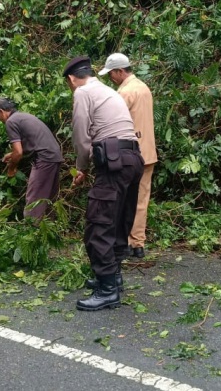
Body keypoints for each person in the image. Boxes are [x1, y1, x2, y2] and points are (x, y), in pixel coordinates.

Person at [63, 56, 144, 311]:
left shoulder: (83, 92)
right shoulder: (108, 90)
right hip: (132, 158)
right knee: (119, 221)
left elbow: (80, 133)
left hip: (114, 161)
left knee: (99, 224)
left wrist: (81, 167)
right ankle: (112, 278)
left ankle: (108, 290)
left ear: (71, 79)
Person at [98, 53, 157, 259]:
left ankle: (120, 241)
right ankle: (137, 243)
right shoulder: (143, 87)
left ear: (120, 71)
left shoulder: (124, 93)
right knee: (141, 200)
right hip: (147, 153)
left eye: (111, 74)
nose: (110, 78)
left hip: (128, 153)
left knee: (122, 199)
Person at [0, 98, 64, 221]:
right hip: (55, 156)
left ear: (1, 112)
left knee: (34, 203)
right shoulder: (23, 116)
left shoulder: (10, 121)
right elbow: (32, 143)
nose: (0, 120)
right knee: (48, 200)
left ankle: (31, 231)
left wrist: (11, 169)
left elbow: (19, 152)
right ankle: (50, 233)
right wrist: (12, 154)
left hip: (44, 158)